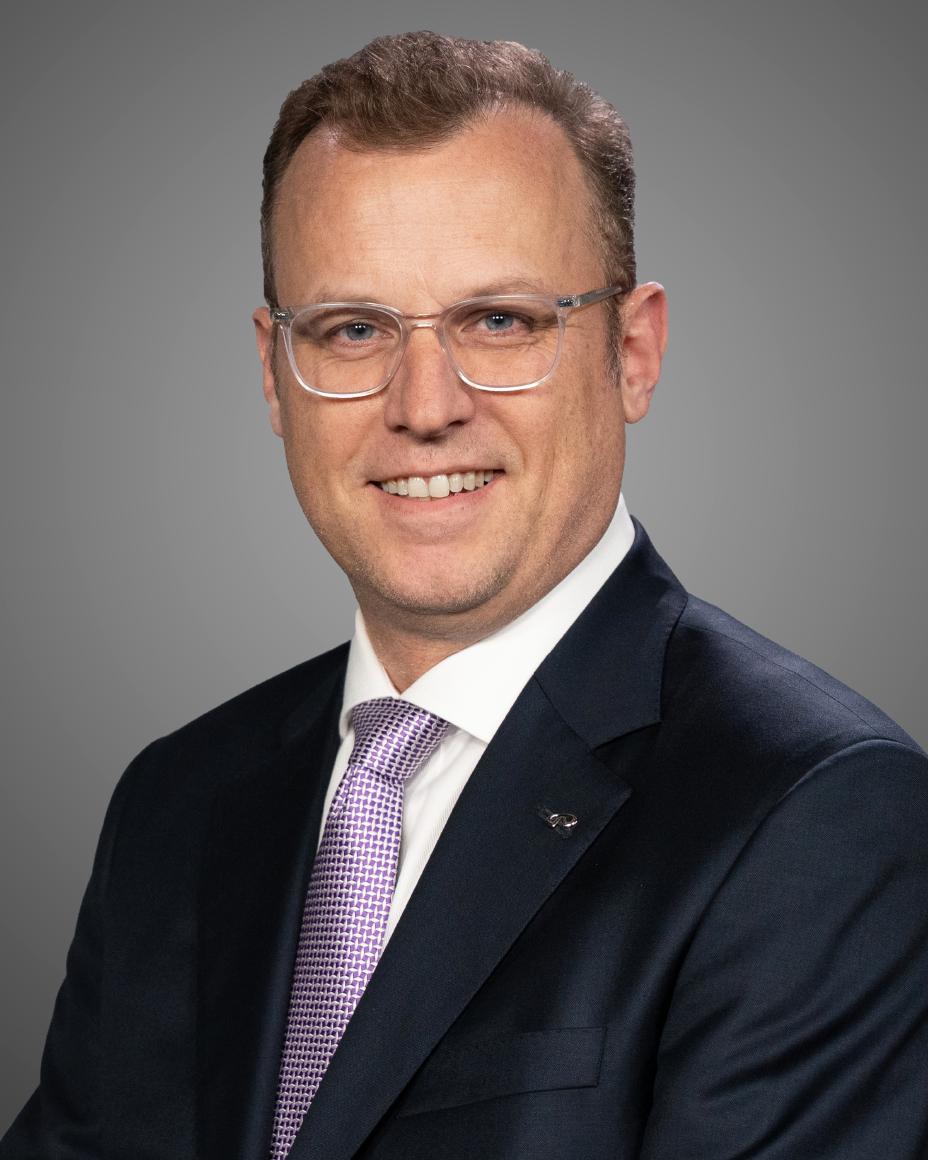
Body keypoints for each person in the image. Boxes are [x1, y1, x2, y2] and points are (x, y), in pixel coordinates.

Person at [3, 29, 926, 1160]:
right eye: (352, 330)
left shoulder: (814, 812)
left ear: (633, 353)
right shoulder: (176, 804)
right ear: (274, 376)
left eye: (500, 320)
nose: (425, 405)